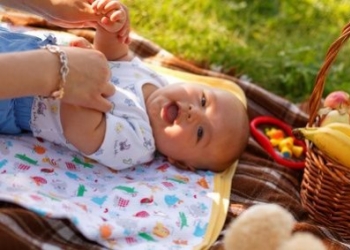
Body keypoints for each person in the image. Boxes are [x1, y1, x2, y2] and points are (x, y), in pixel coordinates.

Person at [0, 0, 250, 172]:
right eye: (204, 101)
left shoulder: (137, 143)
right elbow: (115, 55)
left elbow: (82, 131)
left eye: (199, 133)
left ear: (180, 162)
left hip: (14, 99)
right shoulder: (154, 80)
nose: (193, 113)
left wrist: (71, 70)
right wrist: (112, 25)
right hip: (23, 47)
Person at [0, 0, 131, 112]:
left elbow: (80, 127)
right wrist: (110, 25)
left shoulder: (134, 136)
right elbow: (116, 58)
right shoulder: (147, 75)